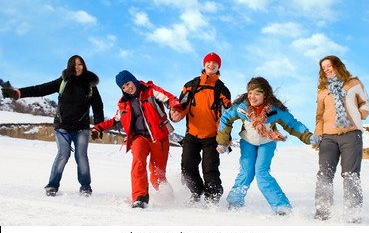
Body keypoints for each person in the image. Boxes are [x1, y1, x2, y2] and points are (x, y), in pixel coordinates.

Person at [1, 55, 104, 197]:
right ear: (69, 66)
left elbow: (98, 107)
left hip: (82, 128)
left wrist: (99, 127)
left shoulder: (90, 86)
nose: (77, 67)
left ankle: (85, 187)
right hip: (62, 126)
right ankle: (52, 186)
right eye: (74, 64)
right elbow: (40, 89)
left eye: (80, 64)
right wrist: (18, 93)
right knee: (63, 153)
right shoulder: (63, 81)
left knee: (81, 156)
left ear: (84, 66)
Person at [216, 77, 320, 215]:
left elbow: (292, 124)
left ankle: (282, 207)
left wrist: (308, 136)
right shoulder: (242, 107)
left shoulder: (275, 110)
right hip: (248, 142)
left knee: (261, 173)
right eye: (250, 93)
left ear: (265, 95)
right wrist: (222, 141)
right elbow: (226, 118)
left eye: (257, 93)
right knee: (246, 172)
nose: (252, 97)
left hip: (267, 143)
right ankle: (234, 202)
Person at [91, 70, 182, 208]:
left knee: (157, 174)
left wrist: (175, 107)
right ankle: (140, 198)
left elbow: (169, 98)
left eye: (128, 84)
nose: (127, 88)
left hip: (158, 137)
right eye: (123, 87)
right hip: (139, 138)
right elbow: (115, 121)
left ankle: (168, 198)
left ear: (133, 80)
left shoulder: (150, 90)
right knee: (138, 163)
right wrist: (98, 128)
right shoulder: (123, 103)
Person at [313, 55, 369, 223]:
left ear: (337, 66)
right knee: (324, 174)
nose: (326, 69)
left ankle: (352, 216)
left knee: (350, 174)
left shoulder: (353, 83)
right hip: (328, 137)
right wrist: (318, 133)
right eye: (323, 68)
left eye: (329, 66)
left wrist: (357, 116)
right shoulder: (323, 90)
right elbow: (319, 116)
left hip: (351, 134)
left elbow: (365, 104)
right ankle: (322, 214)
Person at [172, 52, 231, 205]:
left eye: (215, 63)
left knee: (209, 169)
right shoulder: (190, 85)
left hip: (212, 137)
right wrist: (176, 115)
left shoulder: (222, 90)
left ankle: (212, 196)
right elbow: (181, 106)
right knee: (187, 167)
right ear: (204, 64)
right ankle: (196, 191)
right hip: (192, 134)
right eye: (209, 62)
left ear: (219, 67)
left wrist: (224, 137)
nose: (211, 65)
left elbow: (225, 117)